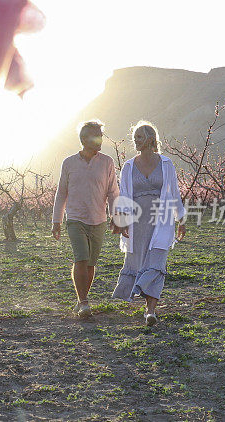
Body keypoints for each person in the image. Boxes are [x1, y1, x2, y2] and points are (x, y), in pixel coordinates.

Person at [112, 121, 186, 326]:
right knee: (139, 262)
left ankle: (150, 311)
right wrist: (123, 221)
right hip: (137, 221)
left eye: (140, 137)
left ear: (151, 140)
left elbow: (173, 193)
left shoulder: (166, 164)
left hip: (161, 219)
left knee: (156, 262)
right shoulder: (128, 166)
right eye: (134, 137)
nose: (136, 141)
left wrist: (181, 219)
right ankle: (146, 305)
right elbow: (125, 195)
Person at [52, 120, 120, 318]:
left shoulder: (107, 162)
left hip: (98, 219)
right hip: (75, 218)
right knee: (80, 258)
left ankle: (81, 298)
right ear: (83, 139)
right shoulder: (69, 163)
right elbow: (61, 193)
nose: (100, 140)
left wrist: (115, 216)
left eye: (101, 135)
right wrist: (56, 221)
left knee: (90, 264)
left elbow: (113, 192)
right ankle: (83, 302)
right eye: (95, 136)